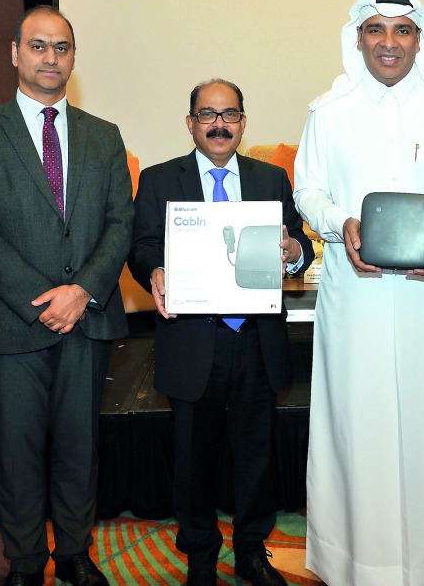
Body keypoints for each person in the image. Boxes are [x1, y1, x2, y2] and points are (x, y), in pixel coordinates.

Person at [293, 0, 424, 585]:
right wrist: (339, 224)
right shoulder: (327, 112)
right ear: (358, 38)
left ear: (419, 40)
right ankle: (358, 563)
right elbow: (308, 190)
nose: (388, 42)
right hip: (355, 295)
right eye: (375, 30)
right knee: (357, 424)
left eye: (401, 30)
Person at [0, 6, 134, 586]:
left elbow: (119, 223)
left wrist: (80, 290)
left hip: (87, 317)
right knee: (18, 455)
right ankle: (26, 561)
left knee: (80, 450)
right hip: (12, 323)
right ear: (15, 53)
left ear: (73, 57)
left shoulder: (104, 135)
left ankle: (75, 554)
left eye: (62, 47)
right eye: (38, 46)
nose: (50, 57)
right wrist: (43, 298)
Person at [128, 79, 313, 586]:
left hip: (255, 337)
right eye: (207, 114)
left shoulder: (272, 179)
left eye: (229, 114)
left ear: (243, 123)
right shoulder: (161, 181)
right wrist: (154, 272)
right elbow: (141, 246)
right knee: (193, 457)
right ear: (190, 123)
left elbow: (299, 244)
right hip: (192, 338)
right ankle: (201, 555)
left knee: (256, 453)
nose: (219, 124)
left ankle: (252, 550)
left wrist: (294, 252)